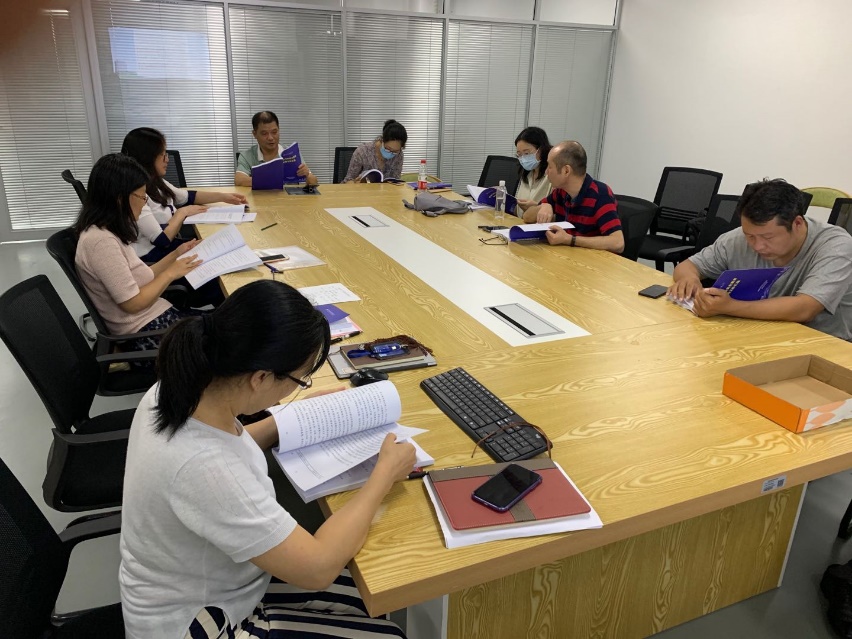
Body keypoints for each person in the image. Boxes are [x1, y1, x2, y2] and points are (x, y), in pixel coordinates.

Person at [119, 279, 415, 638]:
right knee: (386, 628)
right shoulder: (204, 467)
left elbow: (230, 445)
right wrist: (384, 474)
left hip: (218, 580)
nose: (296, 389)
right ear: (259, 377)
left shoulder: (182, 387)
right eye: (300, 380)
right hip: (201, 623)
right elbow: (318, 569)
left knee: (373, 592)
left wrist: (295, 419)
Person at [668, 178, 852, 340]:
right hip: (757, 333)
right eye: (750, 236)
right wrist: (689, 280)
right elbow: (688, 266)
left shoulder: (836, 246)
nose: (757, 246)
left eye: (768, 237)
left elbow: (805, 308)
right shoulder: (739, 238)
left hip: (820, 343)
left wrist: (729, 307)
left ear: (797, 223)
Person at [74, 153, 204, 355]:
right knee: (232, 332)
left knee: (229, 323)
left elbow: (142, 275)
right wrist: (171, 273)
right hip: (146, 334)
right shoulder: (100, 242)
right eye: (142, 196)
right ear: (120, 200)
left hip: (154, 318)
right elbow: (133, 303)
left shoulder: (110, 229)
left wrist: (176, 254)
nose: (144, 203)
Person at [121, 127, 247, 262]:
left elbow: (188, 197)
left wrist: (224, 197)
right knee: (220, 254)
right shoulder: (136, 194)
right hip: (152, 257)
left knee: (226, 246)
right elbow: (161, 239)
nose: (167, 159)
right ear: (148, 158)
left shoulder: (156, 182)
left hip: (168, 248)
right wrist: (183, 212)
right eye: (163, 154)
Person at [522, 141, 624, 253]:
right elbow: (526, 217)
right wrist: (543, 206)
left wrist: (570, 240)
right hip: (567, 255)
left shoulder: (601, 194)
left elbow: (618, 243)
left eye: (550, 167)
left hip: (591, 259)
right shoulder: (561, 192)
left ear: (566, 171)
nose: (546, 172)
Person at [235, 111, 319, 188]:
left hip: (288, 199)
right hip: (260, 198)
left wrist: (307, 175)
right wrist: (272, 180)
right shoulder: (246, 156)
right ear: (255, 134)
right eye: (264, 133)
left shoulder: (291, 153)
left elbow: (314, 181)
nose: (270, 138)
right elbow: (239, 179)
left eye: (274, 132)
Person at [343, 119, 407, 182]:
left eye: (395, 151)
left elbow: (395, 181)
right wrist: (356, 183)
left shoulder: (399, 155)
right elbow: (348, 181)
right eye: (388, 148)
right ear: (382, 140)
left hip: (385, 189)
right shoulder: (363, 151)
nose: (391, 153)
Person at [514, 126, 552, 212]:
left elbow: (555, 212)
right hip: (519, 219)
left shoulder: (551, 175)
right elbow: (517, 209)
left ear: (541, 149)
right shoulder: (526, 173)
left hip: (537, 220)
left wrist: (537, 207)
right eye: (519, 155)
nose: (523, 159)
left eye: (526, 153)